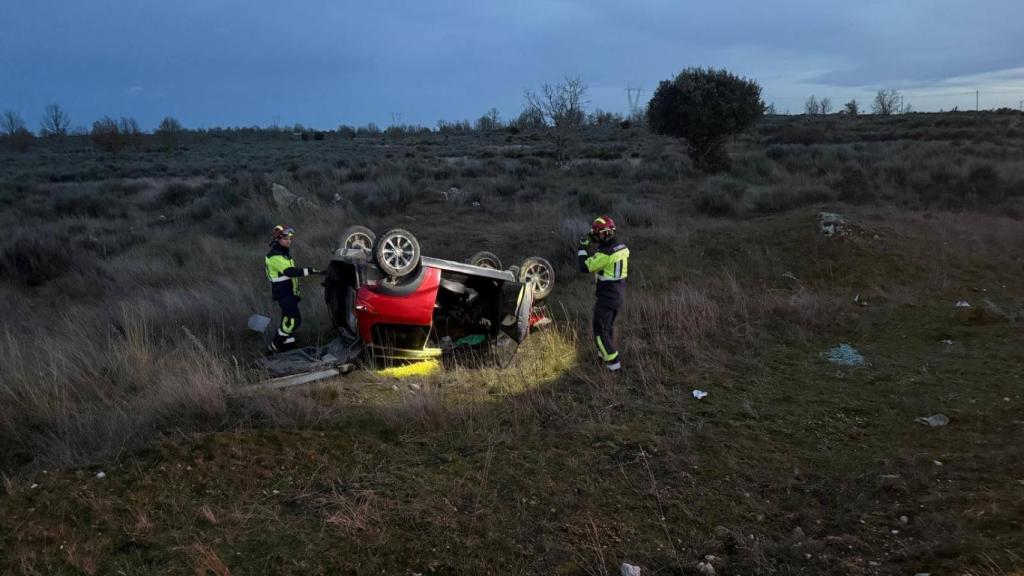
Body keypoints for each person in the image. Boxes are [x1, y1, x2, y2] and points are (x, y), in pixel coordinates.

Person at [578, 216, 630, 371]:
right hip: (618, 294)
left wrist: (582, 248)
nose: (595, 237)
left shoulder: (605, 255)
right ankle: (602, 356)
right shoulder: (621, 247)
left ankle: (614, 365)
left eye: (597, 234)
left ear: (606, 233)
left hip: (607, 297)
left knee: (599, 331)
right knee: (607, 327)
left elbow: (584, 267)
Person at [265, 225, 324, 353]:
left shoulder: (284, 253)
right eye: (285, 239)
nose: (288, 241)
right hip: (283, 293)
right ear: (277, 239)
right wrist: (310, 271)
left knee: (288, 320)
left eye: (290, 239)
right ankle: (273, 347)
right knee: (293, 321)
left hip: (289, 292)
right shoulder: (274, 256)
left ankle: (287, 347)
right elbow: (289, 272)